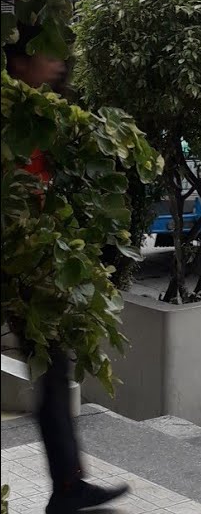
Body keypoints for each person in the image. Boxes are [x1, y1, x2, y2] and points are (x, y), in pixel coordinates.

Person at [5, 30, 129, 513]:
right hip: (18, 263)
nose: (59, 64)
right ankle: (68, 485)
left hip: (35, 261)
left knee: (55, 368)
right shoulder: (13, 116)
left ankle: (69, 483)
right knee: (54, 369)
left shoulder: (44, 115)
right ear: (20, 62)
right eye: (48, 55)